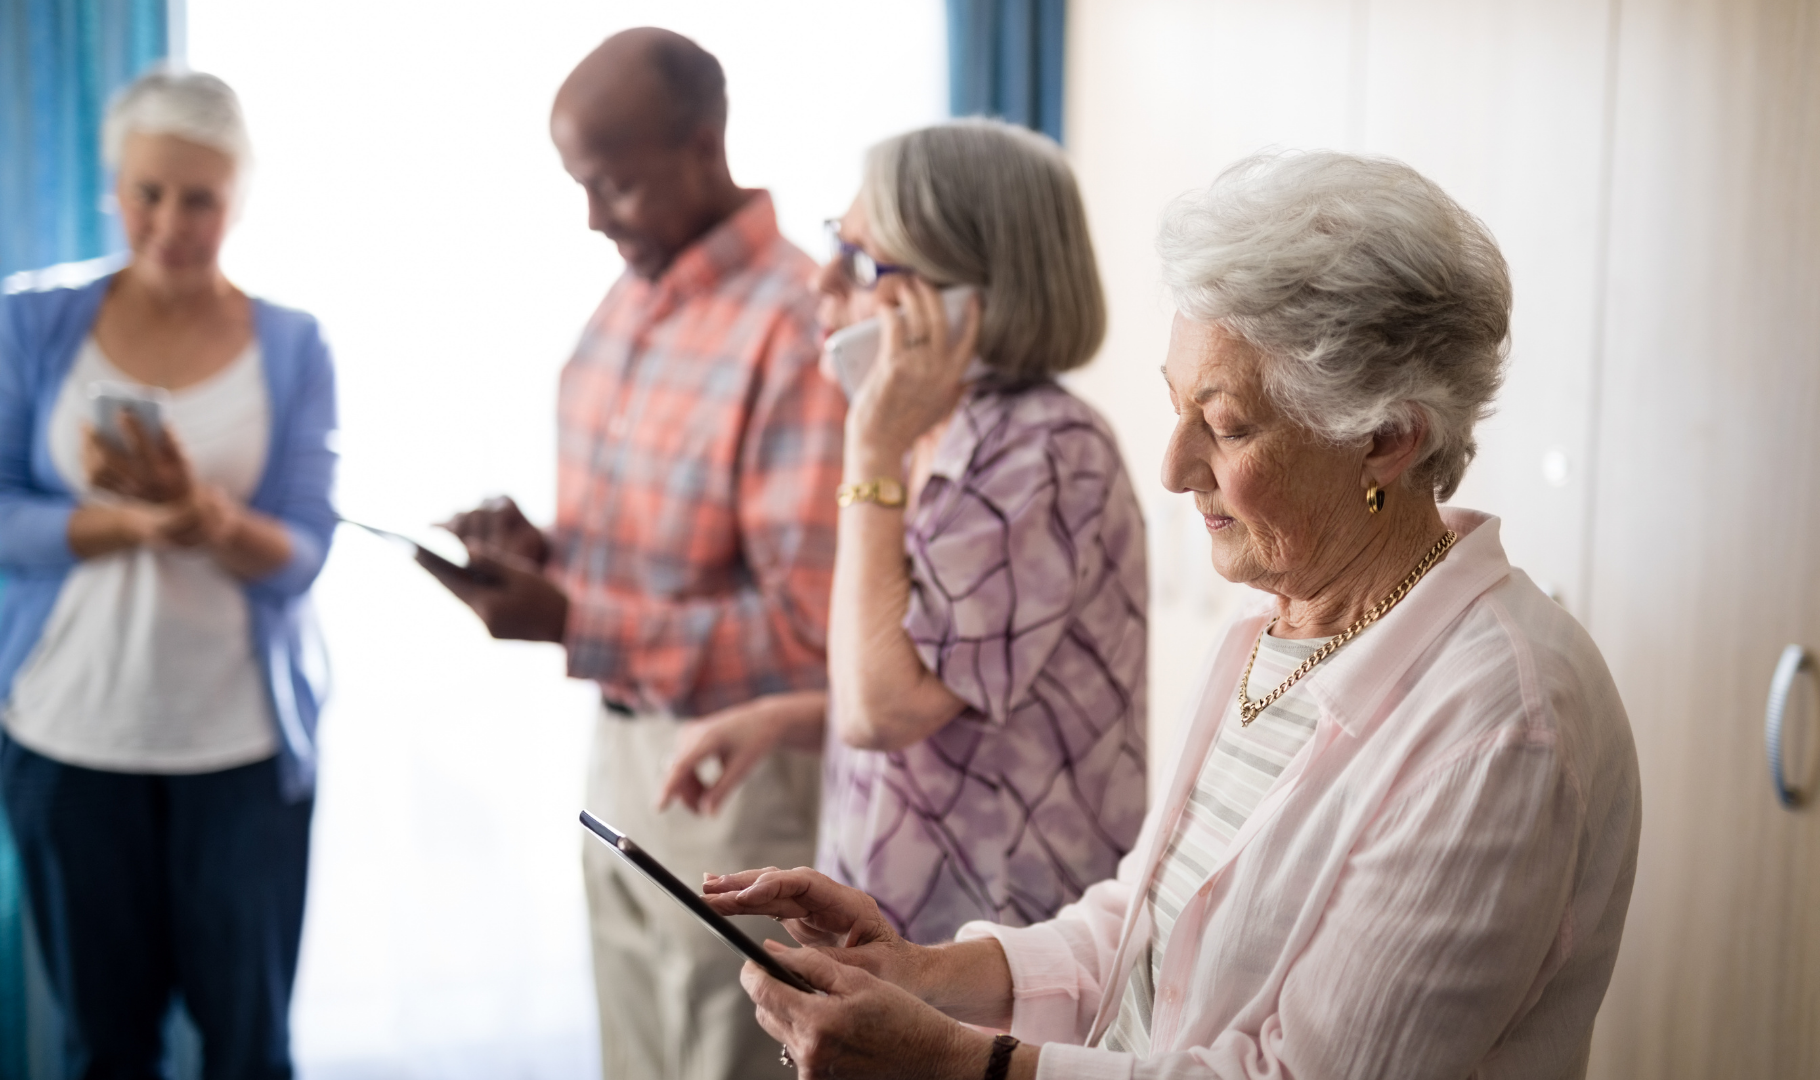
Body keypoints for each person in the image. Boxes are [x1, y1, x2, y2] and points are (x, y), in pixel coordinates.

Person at [700, 151, 1642, 1080]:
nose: (1173, 466)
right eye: (1175, 404)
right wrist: (919, 973)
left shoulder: (1501, 729)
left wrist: (953, 1060)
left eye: (1227, 425)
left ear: (1388, 439)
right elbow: (1136, 930)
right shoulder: (1274, 634)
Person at [421, 29, 845, 1080]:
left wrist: (572, 622)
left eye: (609, 184)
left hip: (740, 775)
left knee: (724, 1060)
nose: (590, 216)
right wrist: (541, 555)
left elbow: (800, 636)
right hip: (619, 746)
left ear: (702, 146)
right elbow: (659, 554)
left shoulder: (795, 324)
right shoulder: (628, 295)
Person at [657, 119, 1148, 946]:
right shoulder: (948, 437)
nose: (820, 285)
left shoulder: (1043, 452)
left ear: (962, 299)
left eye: (860, 263)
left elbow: (884, 711)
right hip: (907, 932)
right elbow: (942, 686)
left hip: (997, 957)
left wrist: (872, 447)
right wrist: (784, 718)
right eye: (832, 244)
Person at [0, 69, 338, 1077]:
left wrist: (206, 522)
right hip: (67, 738)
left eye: (200, 199)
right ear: (116, 186)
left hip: (238, 751)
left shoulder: (291, 342)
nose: (170, 222)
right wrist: (120, 524)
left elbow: (304, 554)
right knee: (105, 1046)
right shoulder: (31, 321)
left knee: (249, 1043)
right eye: (148, 192)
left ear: (237, 201)